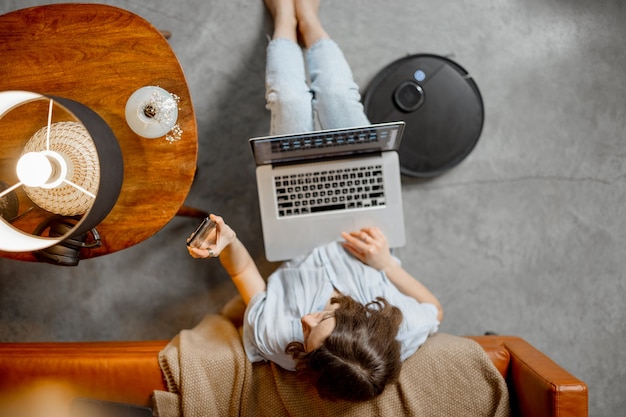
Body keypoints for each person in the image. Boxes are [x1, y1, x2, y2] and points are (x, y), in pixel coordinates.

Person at [187, 0, 443, 403]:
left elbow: (245, 277)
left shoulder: (276, 341)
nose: (304, 320)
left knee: (289, 101)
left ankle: (286, 19)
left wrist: (228, 244)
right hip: (362, 220)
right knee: (338, 97)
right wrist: (385, 264)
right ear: (365, 317)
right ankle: (310, 18)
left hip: (298, 233)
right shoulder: (399, 329)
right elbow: (434, 309)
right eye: (325, 316)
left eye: (308, 337)